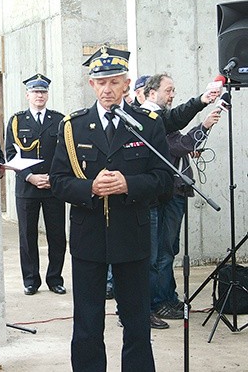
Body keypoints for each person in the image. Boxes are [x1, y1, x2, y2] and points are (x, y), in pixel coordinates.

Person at [50, 46, 173, 372]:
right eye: (100, 82)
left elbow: (164, 179)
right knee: (88, 324)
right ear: (91, 84)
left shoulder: (147, 124)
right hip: (88, 237)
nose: (107, 89)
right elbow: (58, 180)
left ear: (127, 84)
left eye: (114, 82)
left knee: (136, 322)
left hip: (131, 236)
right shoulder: (73, 126)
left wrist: (128, 184)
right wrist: (89, 187)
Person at [141, 72, 220, 328]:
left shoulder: (164, 120)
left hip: (173, 192)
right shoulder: (150, 120)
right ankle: (153, 303)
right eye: (168, 90)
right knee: (156, 255)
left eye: (174, 90)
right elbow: (181, 144)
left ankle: (166, 297)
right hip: (160, 195)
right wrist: (205, 122)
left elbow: (182, 139)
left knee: (167, 251)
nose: (172, 95)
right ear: (151, 93)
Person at [4, 73, 67, 296]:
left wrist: (54, 177)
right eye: (35, 92)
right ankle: (31, 280)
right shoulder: (16, 121)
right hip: (27, 187)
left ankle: (55, 278)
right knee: (27, 236)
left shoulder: (60, 120)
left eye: (43, 92)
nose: (39, 95)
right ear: (27, 94)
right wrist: (30, 177)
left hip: (53, 186)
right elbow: (10, 154)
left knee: (57, 236)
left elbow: (66, 153)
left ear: (47, 95)